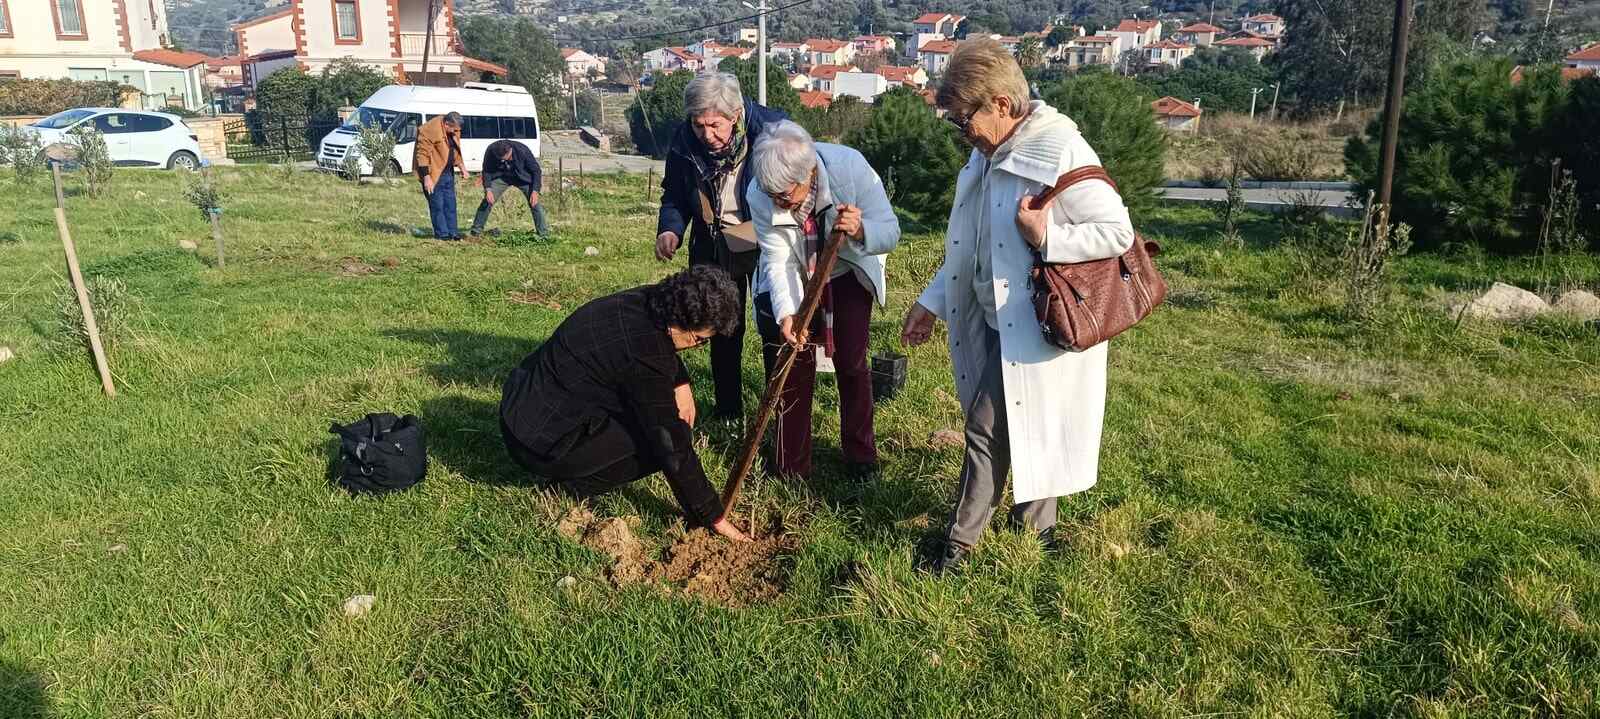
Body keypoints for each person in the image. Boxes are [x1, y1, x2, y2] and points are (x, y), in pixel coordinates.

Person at [900, 38, 1135, 574]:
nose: (962, 133)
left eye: (964, 120)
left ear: (1001, 105)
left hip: (1037, 323)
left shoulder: (1059, 150)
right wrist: (932, 301)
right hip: (993, 315)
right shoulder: (990, 154)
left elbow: (1117, 232)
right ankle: (1037, 530)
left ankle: (958, 548)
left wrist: (1046, 235)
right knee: (1028, 424)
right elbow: (972, 245)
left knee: (987, 429)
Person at [499, 265, 752, 543]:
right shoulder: (644, 360)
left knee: (653, 421)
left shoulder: (649, 299)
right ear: (680, 323)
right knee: (660, 439)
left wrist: (680, 382)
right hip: (540, 443)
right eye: (699, 340)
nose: (697, 347)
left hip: (520, 405)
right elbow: (671, 445)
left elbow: (658, 345)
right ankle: (569, 487)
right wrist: (713, 515)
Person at [747, 120, 900, 479]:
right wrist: (788, 313)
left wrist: (861, 230)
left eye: (785, 196)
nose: (778, 204)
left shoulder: (851, 169)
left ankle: (861, 457)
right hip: (798, 272)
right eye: (773, 197)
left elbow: (891, 232)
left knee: (852, 362)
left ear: (809, 172)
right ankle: (791, 466)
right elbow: (778, 258)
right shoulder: (760, 192)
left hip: (847, 270)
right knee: (793, 364)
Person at [654, 72, 789, 421]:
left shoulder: (772, 133)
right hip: (712, 244)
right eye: (700, 126)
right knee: (722, 325)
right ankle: (728, 409)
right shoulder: (685, 141)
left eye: (715, 125)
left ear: (736, 115)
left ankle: (779, 409)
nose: (707, 136)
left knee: (773, 323)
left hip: (764, 242)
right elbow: (674, 192)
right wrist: (670, 229)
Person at [469, 139, 549, 239]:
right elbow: (487, 171)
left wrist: (535, 191)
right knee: (488, 200)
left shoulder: (522, 150)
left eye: (508, 157)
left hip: (522, 177)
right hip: (501, 176)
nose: (506, 160)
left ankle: (543, 234)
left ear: (510, 150)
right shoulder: (491, 150)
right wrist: (488, 190)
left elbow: (536, 171)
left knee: (534, 202)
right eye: (502, 159)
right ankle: (476, 231)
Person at [414, 111, 469, 241]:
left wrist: (462, 167)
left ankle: (453, 233)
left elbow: (454, 149)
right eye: (454, 129)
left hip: (448, 171)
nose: (456, 132)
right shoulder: (429, 130)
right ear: (446, 124)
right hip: (433, 173)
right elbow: (422, 155)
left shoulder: (453, 129)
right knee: (437, 204)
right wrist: (426, 177)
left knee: (450, 204)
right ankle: (442, 235)